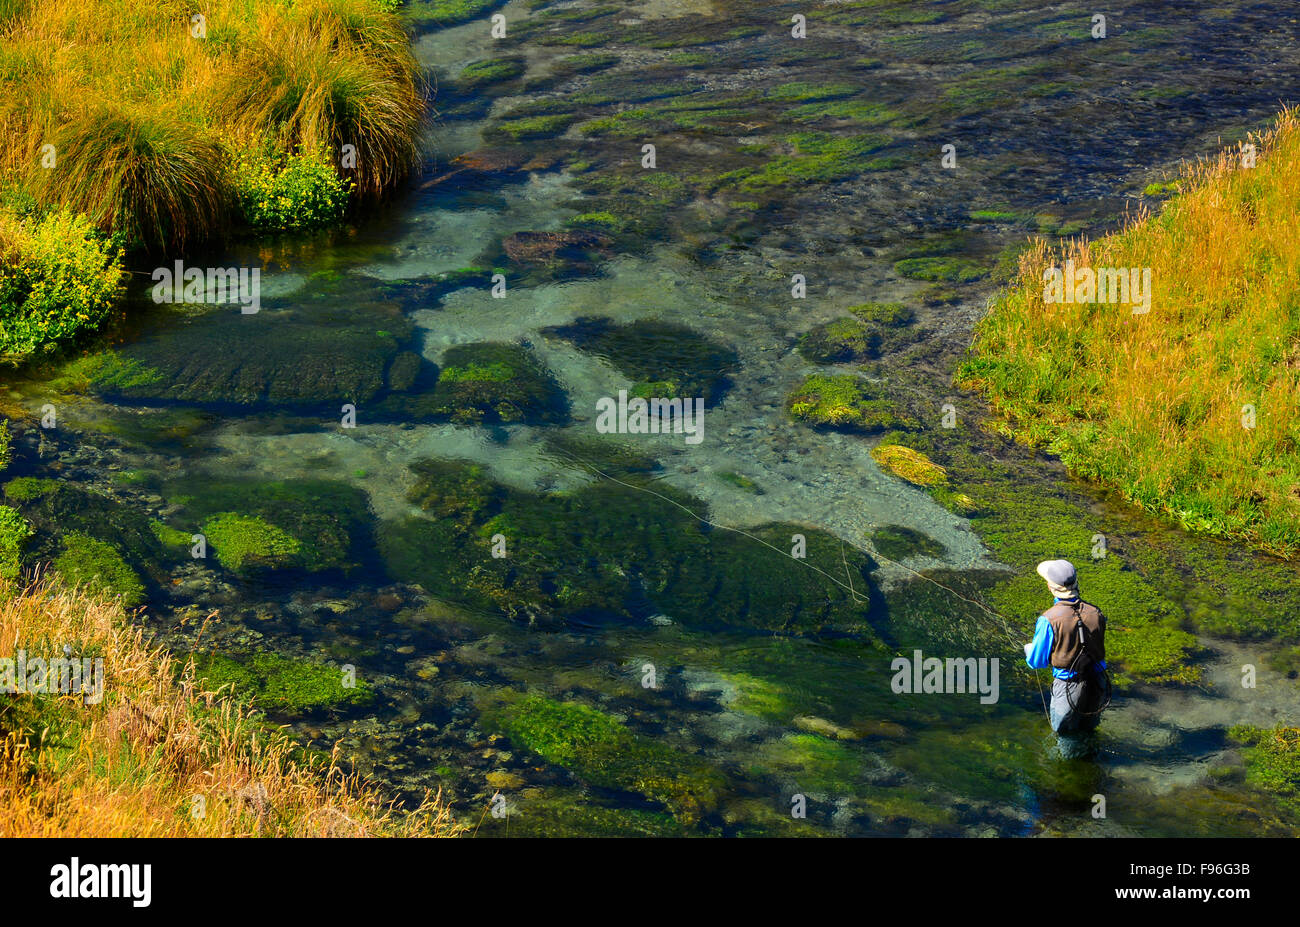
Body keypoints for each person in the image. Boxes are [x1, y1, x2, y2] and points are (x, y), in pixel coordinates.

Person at [1023, 559, 1108, 742]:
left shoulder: (1048, 620)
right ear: (1076, 583)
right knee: (1089, 730)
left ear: (1050, 587)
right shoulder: (1097, 612)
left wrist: (1029, 650)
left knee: (1065, 736)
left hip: (1068, 687)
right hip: (1099, 683)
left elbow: (1036, 662)